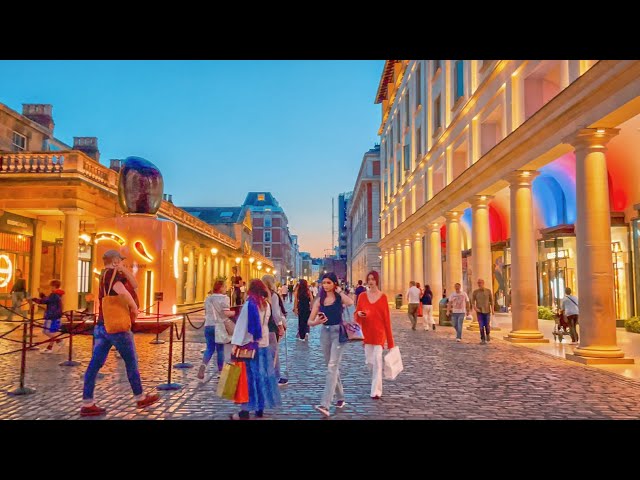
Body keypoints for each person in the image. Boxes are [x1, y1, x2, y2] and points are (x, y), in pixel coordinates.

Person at [80, 249, 159, 417]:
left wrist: (123, 269)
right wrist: (134, 308)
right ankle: (140, 397)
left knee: (95, 364)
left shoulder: (103, 275)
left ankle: (87, 402)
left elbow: (134, 284)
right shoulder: (111, 276)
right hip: (117, 327)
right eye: (120, 260)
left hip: (102, 325)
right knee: (131, 362)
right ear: (115, 260)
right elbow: (123, 292)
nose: (123, 263)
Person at [229, 279, 281, 420]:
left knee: (247, 379)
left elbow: (242, 326)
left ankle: (244, 411)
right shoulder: (266, 305)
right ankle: (260, 408)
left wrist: (236, 344)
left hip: (250, 346)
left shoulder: (249, 305)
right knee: (262, 377)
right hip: (263, 345)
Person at [308, 272, 354, 417]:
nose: (326, 285)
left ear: (334, 284)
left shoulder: (339, 298)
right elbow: (309, 321)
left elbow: (351, 302)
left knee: (332, 366)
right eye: (324, 283)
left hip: (338, 333)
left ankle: (325, 404)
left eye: (329, 282)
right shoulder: (319, 301)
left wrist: (340, 291)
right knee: (331, 366)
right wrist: (317, 322)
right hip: (325, 333)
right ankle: (341, 397)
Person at [355, 270, 394, 400]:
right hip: (366, 334)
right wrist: (359, 315)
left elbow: (386, 319)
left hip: (379, 333)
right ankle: (375, 379)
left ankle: (376, 390)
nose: (371, 281)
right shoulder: (362, 296)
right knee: (370, 362)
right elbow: (356, 313)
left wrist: (390, 342)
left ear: (377, 280)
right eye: (369, 279)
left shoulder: (383, 297)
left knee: (377, 360)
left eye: (373, 279)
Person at [198, 280, 235, 379]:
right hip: (218, 326)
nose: (226, 288)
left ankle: (203, 366)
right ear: (221, 288)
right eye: (225, 286)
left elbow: (206, 311)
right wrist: (234, 313)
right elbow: (226, 313)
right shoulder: (224, 298)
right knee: (220, 349)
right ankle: (220, 371)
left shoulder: (208, 298)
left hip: (208, 325)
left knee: (209, 348)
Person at [261, 274, 288, 385]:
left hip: (261, 326)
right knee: (273, 352)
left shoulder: (258, 294)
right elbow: (276, 313)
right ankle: (275, 377)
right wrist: (280, 326)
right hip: (272, 326)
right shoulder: (273, 295)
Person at [31, 279, 65, 353]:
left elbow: (45, 301)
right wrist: (41, 294)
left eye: (51, 286)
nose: (50, 288)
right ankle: (51, 347)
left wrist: (34, 299)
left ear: (54, 286)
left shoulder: (54, 295)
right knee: (50, 331)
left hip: (52, 315)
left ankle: (58, 342)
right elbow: (48, 300)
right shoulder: (57, 294)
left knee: (47, 331)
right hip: (55, 315)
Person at [471, 278, 494, 344]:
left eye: (480, 283)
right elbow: (472, 301)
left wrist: (492, 309)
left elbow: (491, 300)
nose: (479, 284)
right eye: (478, 283)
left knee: (487, 325)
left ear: (483, 283)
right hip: (479, 311)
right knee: (481, 326)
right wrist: (475, 308)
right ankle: (482, 339)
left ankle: (487, 334)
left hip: (487, 310)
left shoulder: (488, 291)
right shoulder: (475, 292)